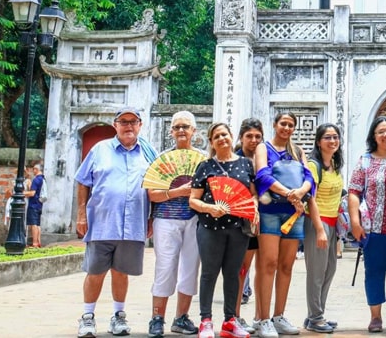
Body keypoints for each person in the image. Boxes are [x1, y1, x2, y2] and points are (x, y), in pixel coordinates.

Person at [75, 107, 156, 338]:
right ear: (115, 125)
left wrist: (152, 216)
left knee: (122, 272)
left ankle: (118, 316)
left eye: (133, 121)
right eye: (123, 121)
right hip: (102, 221)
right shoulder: (100, 149)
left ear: (140, 125)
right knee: (95, 271)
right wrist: (82, 213)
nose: (128, 126)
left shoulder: (149, 152)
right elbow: (82, 181)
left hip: (134, 223)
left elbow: (158, 185)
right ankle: (87, 317)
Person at [189, 122, 258, 338]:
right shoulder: (205, 167)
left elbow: (253, 194)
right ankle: (206, 321)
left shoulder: (246, 164)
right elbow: (193, 200)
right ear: (211, 142)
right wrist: (210, 208)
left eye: (225, 134)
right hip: (210, 227)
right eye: (216, 136)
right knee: (209, 273)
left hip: (238, 228)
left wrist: (254, 207)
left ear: (231, 137)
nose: (222, 139)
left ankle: (230, 320)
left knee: (233, 273)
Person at [253, 111, 313, 338]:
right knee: (268, 264)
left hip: (294, 214)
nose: (286, 128)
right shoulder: (263, 148)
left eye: (290, 125)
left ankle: (279, 315)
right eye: (283, 124)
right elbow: (263, 176)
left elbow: (309, 177)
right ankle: (264, 318)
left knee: (287, 266)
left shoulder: (297, 151)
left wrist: (300, 192)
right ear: (275, 124)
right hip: (270, 212)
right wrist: (289, 193)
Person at [147, 111, 203, 338]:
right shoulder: (161, 159)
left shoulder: (202, 159)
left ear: (194, 131)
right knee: (165, 268)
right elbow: (152, 193)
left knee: (190, 269)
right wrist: (177, 192)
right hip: (166, 219)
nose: (181, 130)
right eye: (177, 126)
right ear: (171, 131)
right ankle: (157, 318)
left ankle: (181, 317)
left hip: (194, 219)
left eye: (186, 127)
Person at [348, 116, 386, 333]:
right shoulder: (365, 160)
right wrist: (355, 222)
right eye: (380, 131)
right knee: (374, 271)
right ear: (374, 136)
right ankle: (375, 317)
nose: (385, 135)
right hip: (373, 228)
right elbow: (353, 191)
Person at [303, 123, 346, 332]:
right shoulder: (314, 165)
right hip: (316, 224)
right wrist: (320, 229)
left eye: (335, 137)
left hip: (332, 224)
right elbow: (310, 198)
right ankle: (315, 317)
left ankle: (316, 313)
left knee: (330, 269)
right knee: (316, 272)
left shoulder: (336, 165)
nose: (332, 141)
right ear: (319, 142)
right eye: (327, 137)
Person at [234, 117, 265, 335]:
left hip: (268, 220)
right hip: (242, 222)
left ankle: (261, 316)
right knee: (241, 270)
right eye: (249, 136)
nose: (253, 140)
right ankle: (234, 315)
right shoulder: (234, 160)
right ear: (241, 137)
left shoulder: (266, 158)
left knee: (264, 268)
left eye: (257, 136)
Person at [24, 161, 45, 248]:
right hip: (39, 204)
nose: (33, 171)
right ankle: (38, 242)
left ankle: (35, 243)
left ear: (36, 169)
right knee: (37, 224)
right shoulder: (42, 179)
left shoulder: (36, 180)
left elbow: (32, 193)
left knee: (33, 224)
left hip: (33, 204)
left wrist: (22, 193)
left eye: (34, 169)